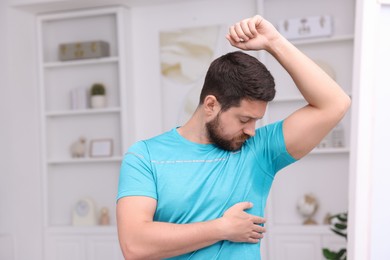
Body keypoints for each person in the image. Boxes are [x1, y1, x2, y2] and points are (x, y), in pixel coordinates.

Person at [116, 15, 351, 260]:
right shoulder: (145, 156)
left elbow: (335, 103)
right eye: (243, 120)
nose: (251, 130)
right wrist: (222, 228)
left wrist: (274, 42)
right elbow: (135, 245)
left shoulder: (258, 150)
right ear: (210, 105)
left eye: (256, 121)